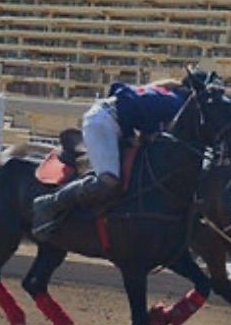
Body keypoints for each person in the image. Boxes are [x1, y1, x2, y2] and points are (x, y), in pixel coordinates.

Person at [31, 66, 211, 241]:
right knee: (109, 181)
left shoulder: (171, 95)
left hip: (113, 119)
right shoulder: (177, 104)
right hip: (104, 122)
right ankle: (49, 203)